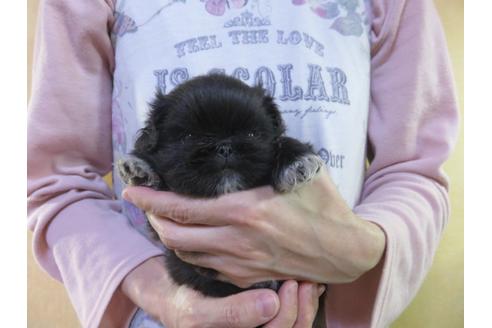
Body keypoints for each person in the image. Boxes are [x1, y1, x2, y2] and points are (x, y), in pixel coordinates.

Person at [27, 0, 458, 327]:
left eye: (249, 137)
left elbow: (413, 169)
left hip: (321, 307)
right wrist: (169, 299)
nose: (225, 152)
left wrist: (355, 249)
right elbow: (57, 182)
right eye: (197, 139)